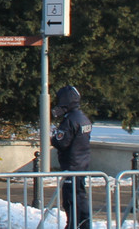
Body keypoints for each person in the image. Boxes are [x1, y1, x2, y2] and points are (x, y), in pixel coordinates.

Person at [51, 85, 92, 229]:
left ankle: (73, 225)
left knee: (70, 200)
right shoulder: (83, 118)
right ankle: (84, 224)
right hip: (82, 163)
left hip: (71, 166)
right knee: (80, 197)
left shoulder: (70, 120)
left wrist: (54, 137)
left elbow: (61, 143)